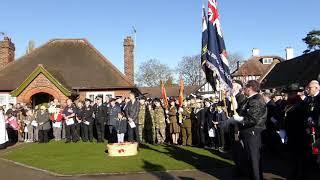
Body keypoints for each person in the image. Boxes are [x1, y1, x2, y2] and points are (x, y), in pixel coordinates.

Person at [231, 80, 267, 180]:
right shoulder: (249, 99)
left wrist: (239, 119)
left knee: (254, 159)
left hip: (252, 132)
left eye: (245, 87)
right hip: (247, 132)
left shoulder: (256, 100)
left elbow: (252, 119)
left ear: (250, 88)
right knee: (249, 159)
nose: (244, 89)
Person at [283, 83, 309, 180]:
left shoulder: (300, 104)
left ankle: (300, 175)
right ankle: (295, 173)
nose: (288, 96)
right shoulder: (290, 103)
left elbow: (301, 120)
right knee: (293, 157)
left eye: (290, 94)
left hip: (299, 134)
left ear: (294, 93)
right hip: (291, 133)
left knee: (299, 157)